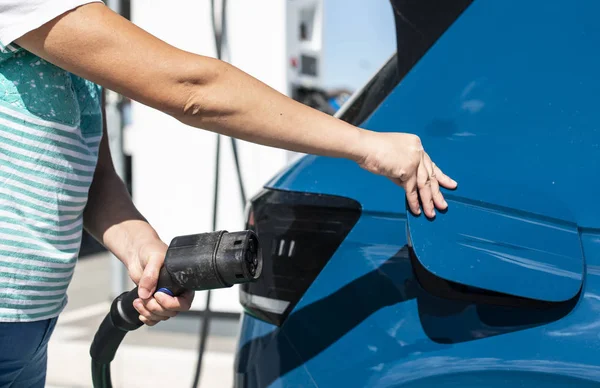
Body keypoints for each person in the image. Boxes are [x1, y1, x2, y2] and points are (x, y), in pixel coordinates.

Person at [0, 0, 457, 386]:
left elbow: (94, 178)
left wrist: (142, 249)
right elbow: (191, 89)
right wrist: (364, 144)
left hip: (29, 326)